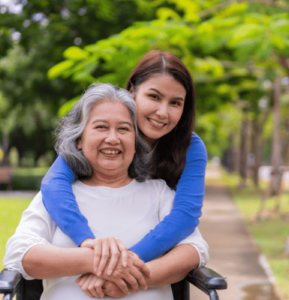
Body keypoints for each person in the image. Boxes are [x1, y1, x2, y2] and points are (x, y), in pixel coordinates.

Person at [3, 83, 209, 299]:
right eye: (101, 127)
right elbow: (19, 253)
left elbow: (194, 249)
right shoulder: (58, 196)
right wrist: (94, 260)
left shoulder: (158, 193)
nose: (113, 138)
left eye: (123, 129)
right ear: (80, 139)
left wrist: (127, 280)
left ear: (136, 141)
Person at [40, 50, 207, 279]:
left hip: (149, 255)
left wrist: (121, 264)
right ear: (132, 92)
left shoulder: (191, 147)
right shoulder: (103, 136)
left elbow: (186, 214)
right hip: (94, 235)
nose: (162, 112)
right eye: (154, 97)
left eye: (175, 103)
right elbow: (53, 183)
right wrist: (87, 243)